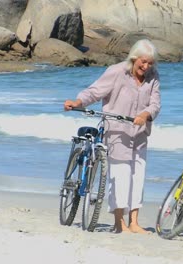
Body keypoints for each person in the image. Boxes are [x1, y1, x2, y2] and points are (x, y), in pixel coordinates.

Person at [63, 39, 161, 234]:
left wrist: (146, 114)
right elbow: (95, 92)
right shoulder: (117, 71)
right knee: (121, 176)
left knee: (138, 177)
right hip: (116, 132)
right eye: (143, 61)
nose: (146, 66)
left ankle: (134, 222)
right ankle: (119, 223)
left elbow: (155, 103)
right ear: (134, 58)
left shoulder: (153, 76)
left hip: (140, 134)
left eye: (150, 63)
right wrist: (78, 101)